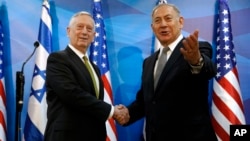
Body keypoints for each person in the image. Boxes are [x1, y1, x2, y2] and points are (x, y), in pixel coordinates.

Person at [116, 3, 218, 141]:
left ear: (180, 22)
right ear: (153, 28)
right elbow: (147, 101)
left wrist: (196, 61)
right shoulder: (148, 62)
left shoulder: (198, 49)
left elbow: (208, 70)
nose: (163, 24)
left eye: (168, 18)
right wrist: (128, 113)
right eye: (157, 21)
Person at [44, 11, 129, 141]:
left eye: (89, 29)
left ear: (94, 36)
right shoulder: (58, 59)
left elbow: (92, 101)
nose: (84, 32)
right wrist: (113, 111)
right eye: (79, 27)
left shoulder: (94, 68)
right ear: (68, 31)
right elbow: (71, 94)